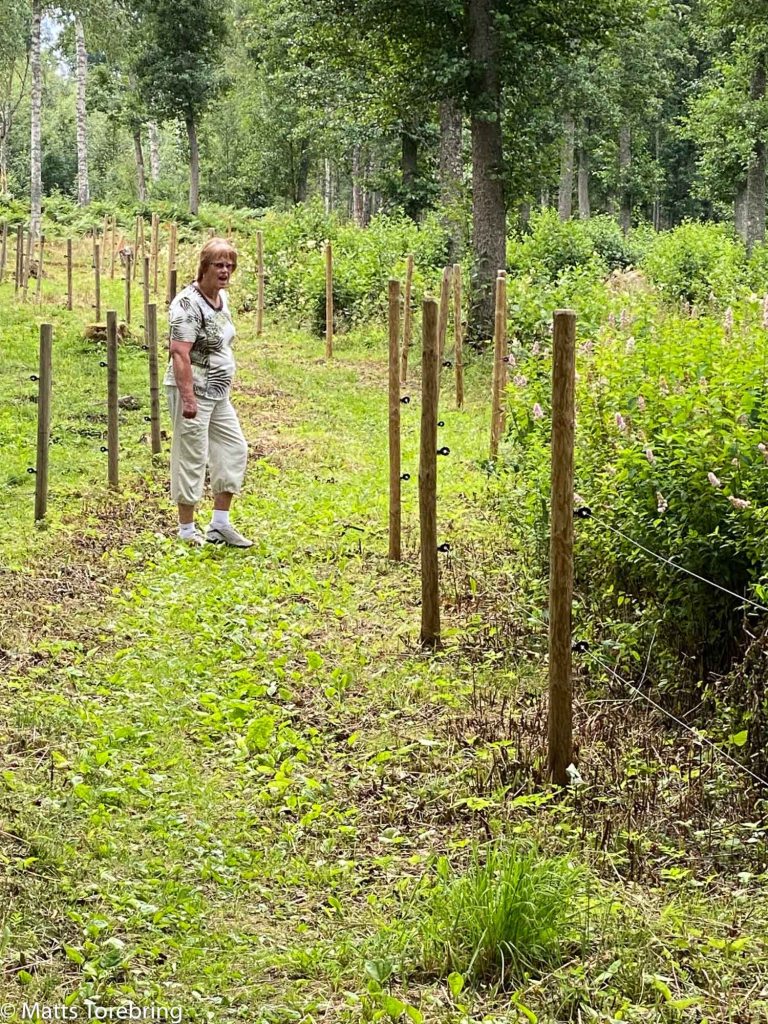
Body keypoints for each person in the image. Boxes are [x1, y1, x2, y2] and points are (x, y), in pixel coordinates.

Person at [164, 237, 253, 547]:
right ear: (204, 267)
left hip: (218, 394)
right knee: (192, 455)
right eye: (219, 265)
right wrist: (188, 398)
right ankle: (187, 530)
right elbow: (179, 352)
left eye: (230, 265)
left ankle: (219, 524)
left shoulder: (221, 298)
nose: (225, 271)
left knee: (234, 448)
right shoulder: (187, 303)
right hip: (194, 391)